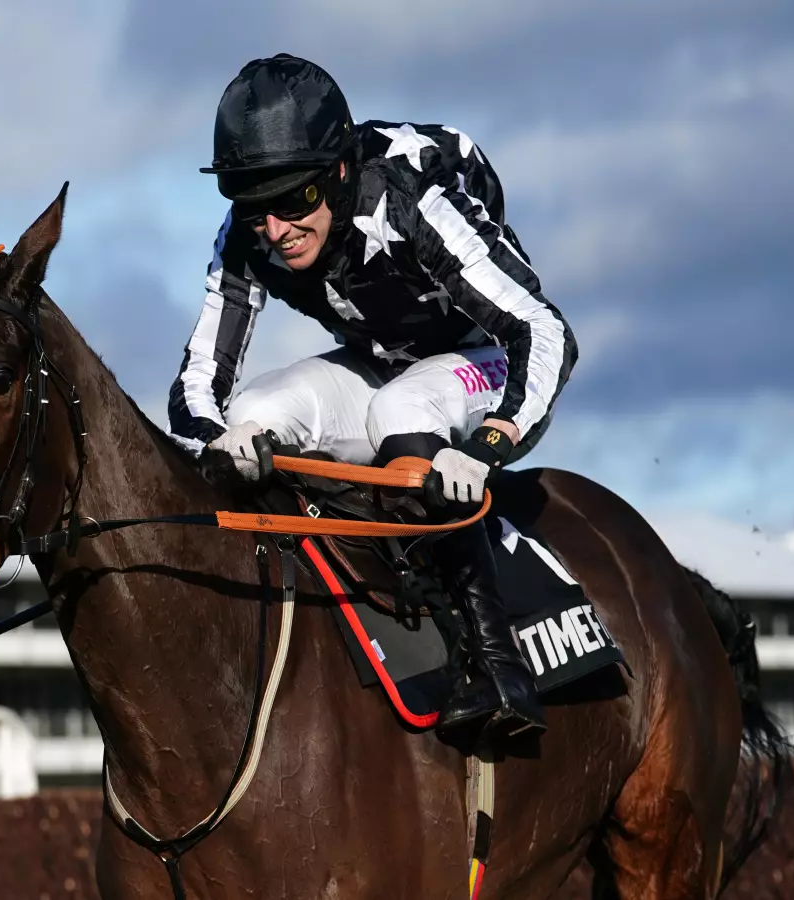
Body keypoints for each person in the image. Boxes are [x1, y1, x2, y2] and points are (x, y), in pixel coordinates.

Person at [167, 53, 578, 742]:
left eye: (295, 201)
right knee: (252, 418)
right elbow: (199, 379)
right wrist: (216, 438)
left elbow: (544, 330)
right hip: (380, 362)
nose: (275, 229)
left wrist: (493, 441)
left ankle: (495, 661)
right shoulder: (249, 233)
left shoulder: (408, 198)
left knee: (402, 411)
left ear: (339, 172)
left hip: (483, 360)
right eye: (255, 206)